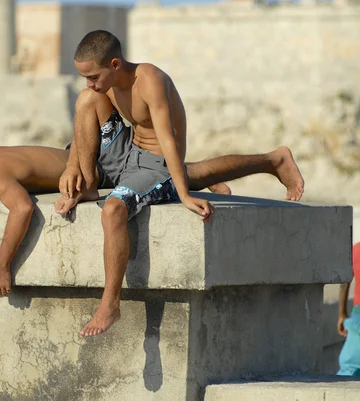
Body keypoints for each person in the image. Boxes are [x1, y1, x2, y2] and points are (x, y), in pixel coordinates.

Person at [57, 30, 305, 337]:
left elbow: (168, 140)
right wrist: (73, 166)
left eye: (93, 76)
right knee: (85, 101)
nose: (90, 83)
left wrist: (184, 195)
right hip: (127, 154)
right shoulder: (105, 85)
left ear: (115, 64)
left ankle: (110, 303)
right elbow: (87, 123)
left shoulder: (149, 81)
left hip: (156, 164)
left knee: (112, 210)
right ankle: (88, 185)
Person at [0, 139, 303, 302]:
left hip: (100, 170)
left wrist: (2, 264)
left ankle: (272, 160)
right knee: (185, 171)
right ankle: (211, 180)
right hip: (77, 154)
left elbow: (22, 209)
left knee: (188, 173)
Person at [337, 242, 360, 376]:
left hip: (358, 316)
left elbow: (344, 283)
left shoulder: (356, 249)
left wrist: (342, 313)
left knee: (349, 369)